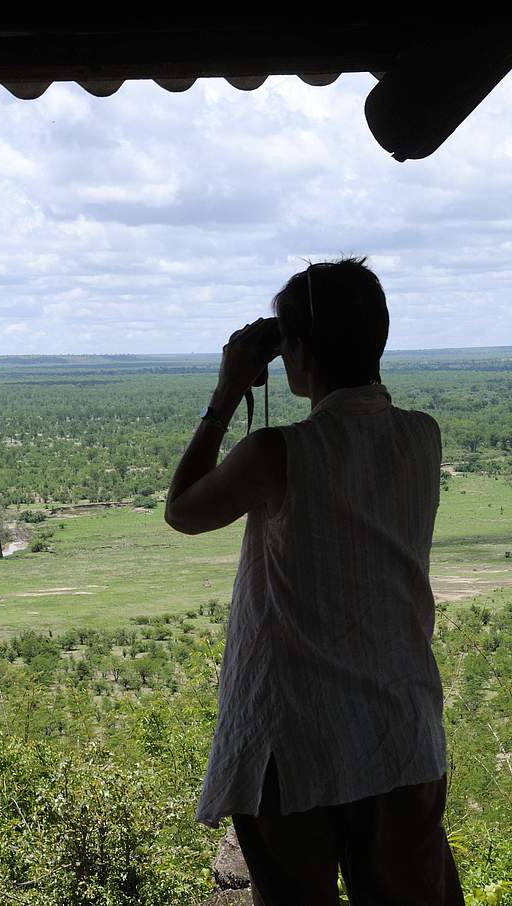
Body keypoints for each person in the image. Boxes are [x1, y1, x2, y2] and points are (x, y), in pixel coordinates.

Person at [164, 258, 463, 905]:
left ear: (298, 353)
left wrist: (226, 394)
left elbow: (182, 508)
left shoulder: (277, 454)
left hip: (294, 742)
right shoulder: (422, 438)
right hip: (399, 733)